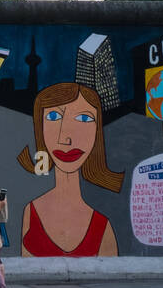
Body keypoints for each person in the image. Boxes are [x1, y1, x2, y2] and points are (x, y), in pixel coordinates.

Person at [15, 83, 124, 256]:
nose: (65, 138)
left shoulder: (102, 226)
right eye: (53, 116)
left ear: (98, 133)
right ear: (39, 128)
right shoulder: (31, 211)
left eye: (84, 119)